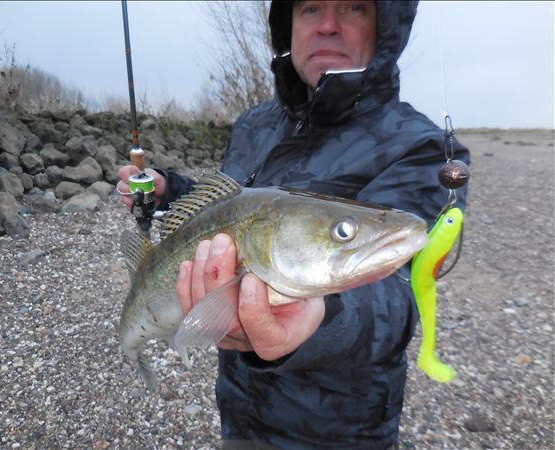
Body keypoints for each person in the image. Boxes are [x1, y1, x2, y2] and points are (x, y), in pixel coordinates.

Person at [118, 1, 470, 449]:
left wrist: (317, 320)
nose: (327, 26)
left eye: (353, 7)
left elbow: (399, 295)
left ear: (384, 27)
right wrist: (169, 189)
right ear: (288, 24)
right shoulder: (254, 123)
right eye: (310, 8)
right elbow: (226, 209)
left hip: (340, 432)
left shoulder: (421, 147)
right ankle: (132, 345)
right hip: (238, 411)